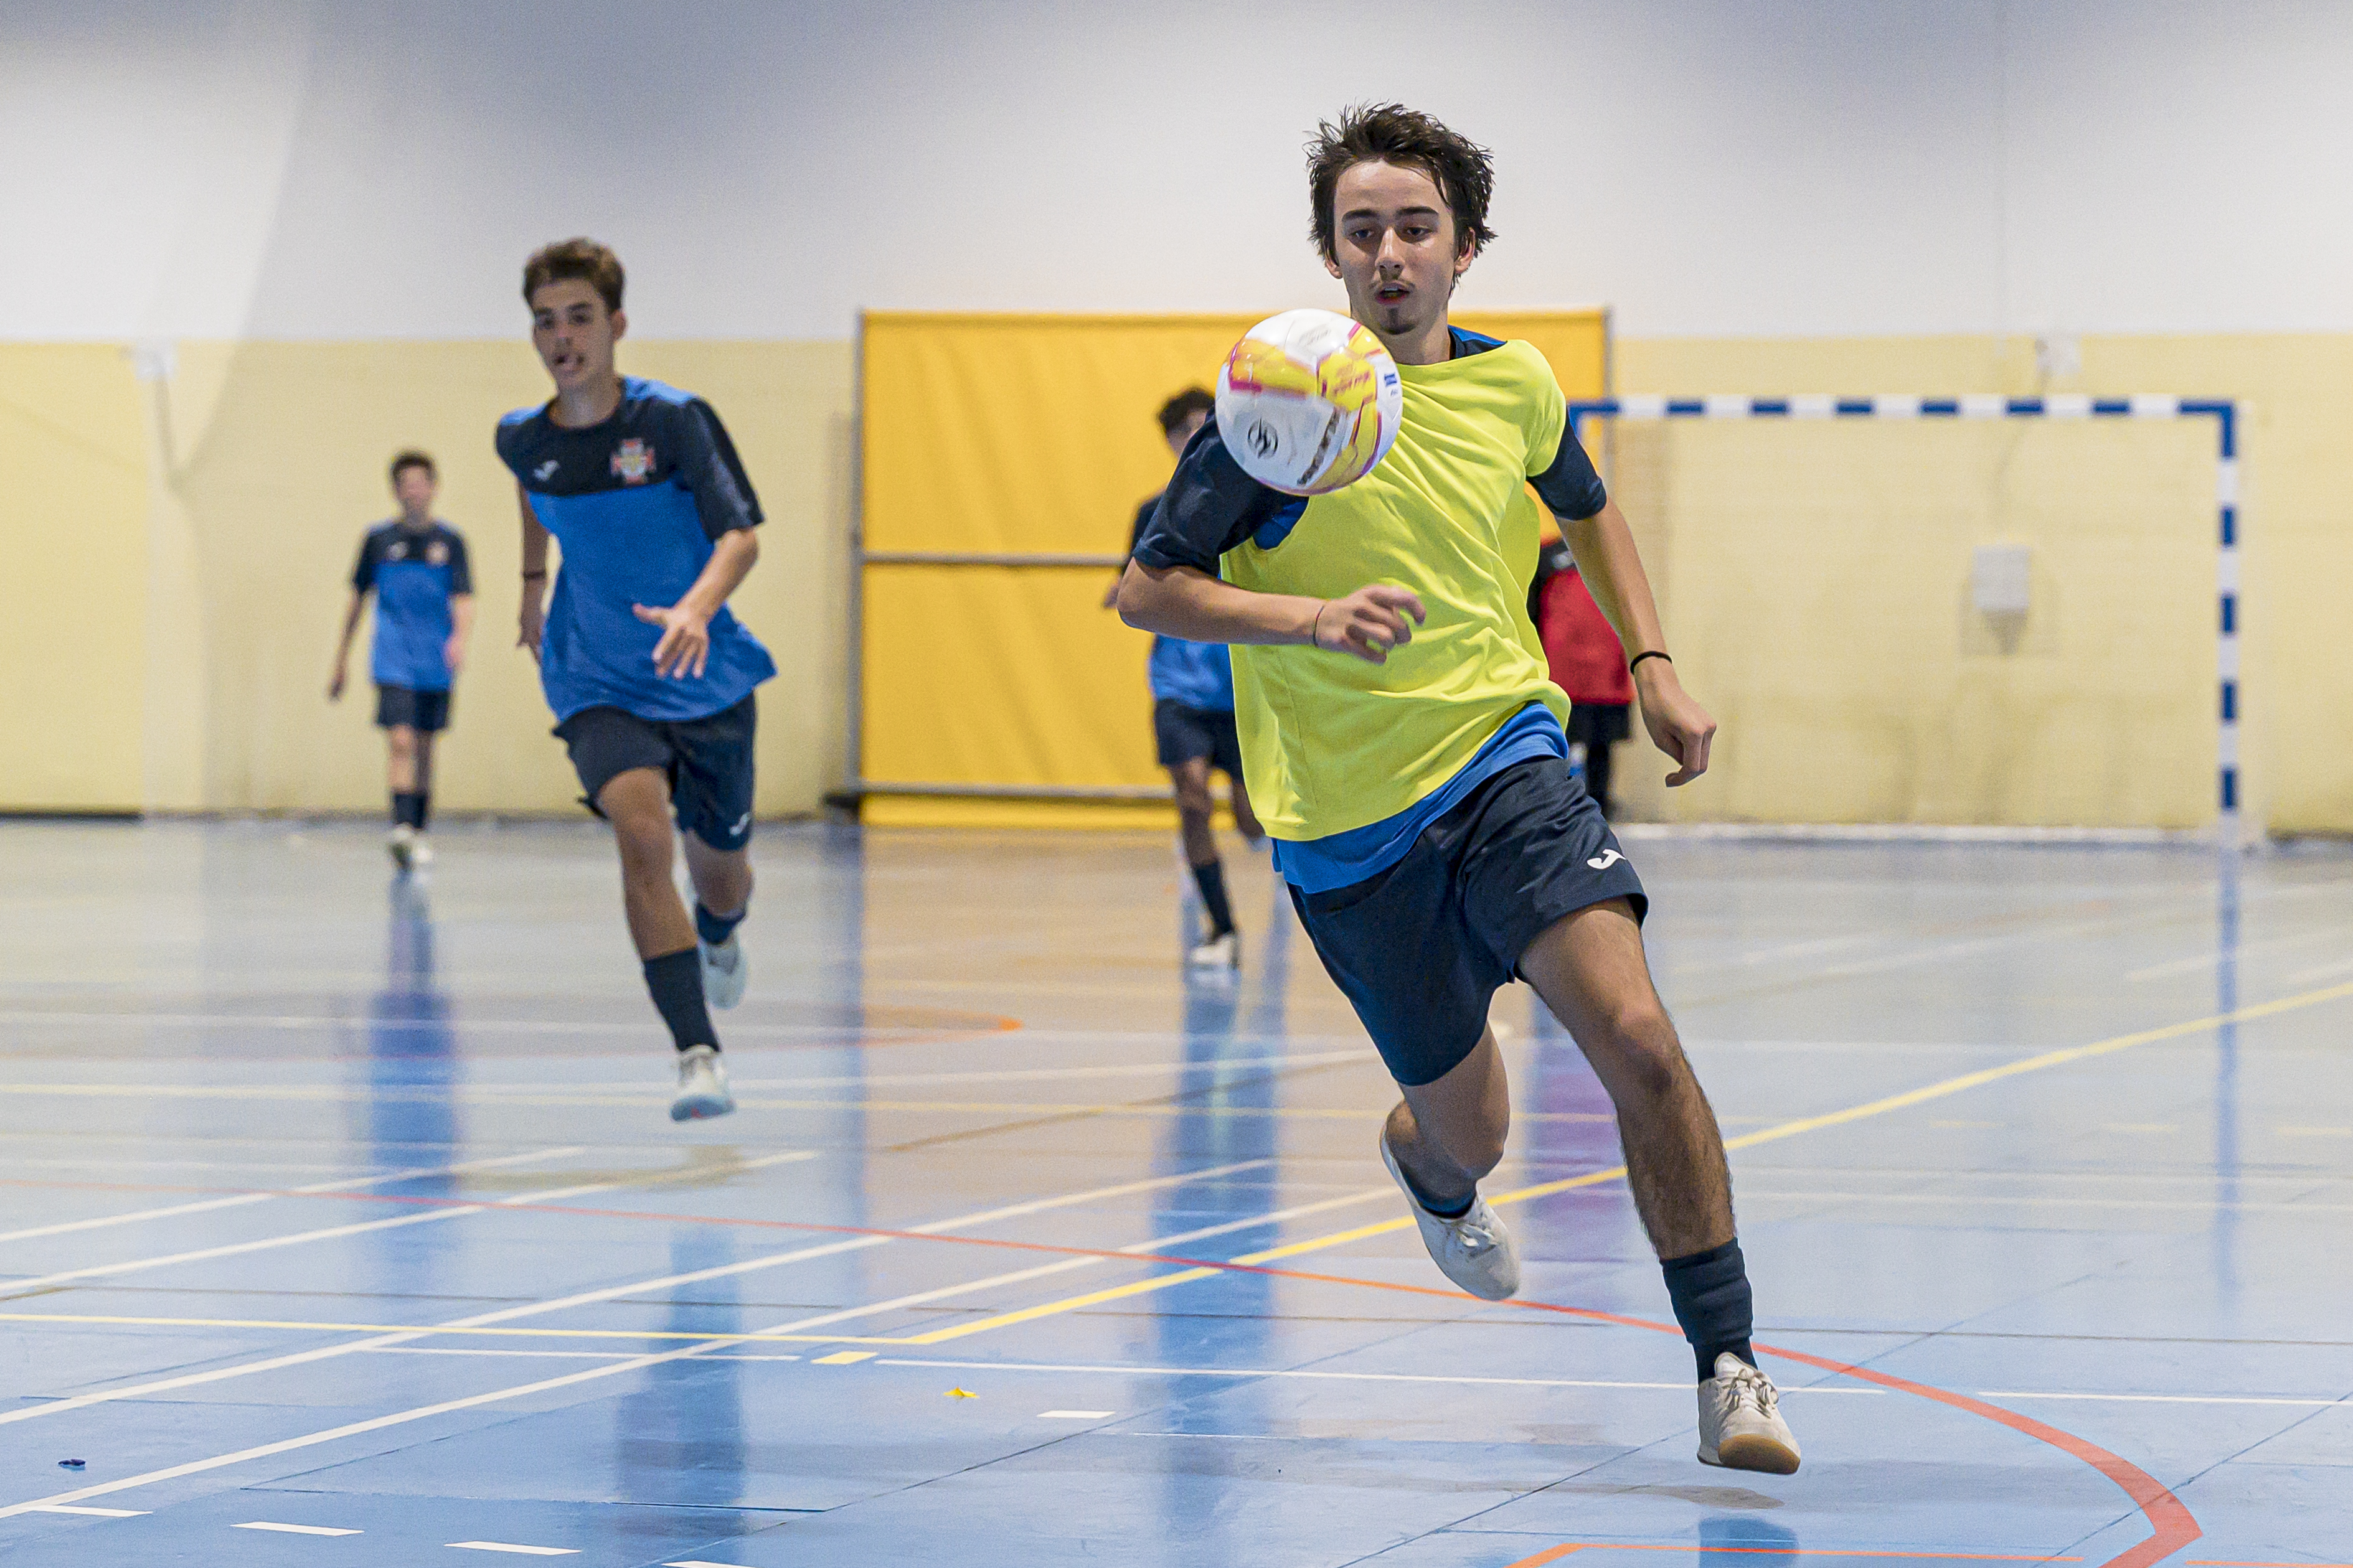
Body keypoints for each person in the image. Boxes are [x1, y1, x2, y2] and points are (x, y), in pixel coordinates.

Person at [1118, 104, 1799, 1473]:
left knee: (1636, 1037)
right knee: (1471, 1127)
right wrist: (1310, 620)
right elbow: (1146, 589)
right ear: (1329, 252)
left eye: (1414, 227)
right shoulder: (1272, 409)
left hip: (1504, 758)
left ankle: (1726, 1360)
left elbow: (1585, 505)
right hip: (1344, 825)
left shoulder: (1515, 384)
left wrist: (1652, 663)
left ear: (1463, 247)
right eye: (1360, 229)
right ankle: (1429, 1168)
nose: (1388, 252)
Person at [496, 238, 776, 1123]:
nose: (562, 336)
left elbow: (740, 536)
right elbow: (531, 488)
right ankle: (697, 1054)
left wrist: (695, 608)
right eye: (546, 320)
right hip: (596, 675)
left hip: (700, 671)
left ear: (615, 325)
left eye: (579, 317)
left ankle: (720, 932)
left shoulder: (673, 422)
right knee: (641, 836)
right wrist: (532, 584)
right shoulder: (523, 437)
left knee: (721, 876)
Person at [1106, 388, 1266, 970]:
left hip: (1238, 683)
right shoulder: (1152, 511)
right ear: (1173, 440)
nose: (1195, 437)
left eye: (1206, 425)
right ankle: (1222, 927)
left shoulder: (1253, 500)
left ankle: (1270, 844)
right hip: (1178, 684)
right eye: (1186, 430)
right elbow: (1137, 583)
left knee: (1252, 816)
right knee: (1193, 801)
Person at [329, 451, 474, 871]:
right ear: (395, 490)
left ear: (433, 487)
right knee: (400, 741)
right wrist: (341, 657)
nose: (414, 491)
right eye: (406, 484)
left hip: (434, 660)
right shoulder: (378, 541)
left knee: (425, 746)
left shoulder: (450, 543)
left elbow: (464, 598)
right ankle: (401, 829)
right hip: (393, 658)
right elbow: (357, 599)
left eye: (421, 483)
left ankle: (420, 829)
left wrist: (459, 639)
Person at [1530, 534, 1634, 818]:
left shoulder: (1614, 552)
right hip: (1561, 673)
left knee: (1602, 746)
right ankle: (1553, 810)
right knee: (1555, 744)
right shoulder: (1546, 554)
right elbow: (1532, 612)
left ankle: (1601, 809)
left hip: (1606, 674)